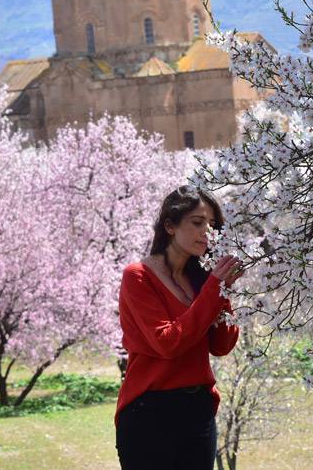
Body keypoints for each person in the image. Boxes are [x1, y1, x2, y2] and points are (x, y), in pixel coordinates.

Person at [114, 185, 243, 470]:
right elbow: (167, 343)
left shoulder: (202, 279)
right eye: (197, 223)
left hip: (198, 411)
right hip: (149, 412)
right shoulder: (138, 276)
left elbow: (221, 346)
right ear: (170, 226)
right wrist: (213, 289)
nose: (207, 232)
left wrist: (221, 289)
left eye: (213, 225)